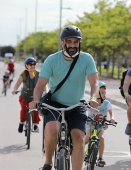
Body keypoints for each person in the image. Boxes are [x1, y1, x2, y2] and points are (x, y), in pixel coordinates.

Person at [29, 25, 99, 170]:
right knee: (52, 130)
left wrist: (93, 97)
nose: (73, 45)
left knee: (79, 138)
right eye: (69, 42)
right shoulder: (51, 60)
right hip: (54, 105)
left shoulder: (86, 59)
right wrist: (36, 100)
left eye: (76, 42)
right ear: (62, 43)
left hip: (76, 105)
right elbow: (40, 84)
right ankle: (48, 163)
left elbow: (95, 82)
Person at [84, 81, 115, 167]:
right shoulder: (90, 103)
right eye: (101, 92)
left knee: (101, 138)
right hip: (91, 123)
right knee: (87, 137)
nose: (104, 94)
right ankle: (81, 152)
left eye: (105, 92)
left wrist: (112, 118)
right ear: (96, 93)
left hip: (101, 124)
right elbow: (83, 110)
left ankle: (100, 157)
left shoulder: (106, 103)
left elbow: (111, 112)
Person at [12, 57, 41, 133]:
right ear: (26, 66)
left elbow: (44, 84)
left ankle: (35, 124)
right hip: (25, 96)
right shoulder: (24, 74)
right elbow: (17, 83)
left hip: (35, 96)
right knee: (24, 110)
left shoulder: (39, 74)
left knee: (35, 110)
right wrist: (14, 90)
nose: (32, 66)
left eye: (34, 64)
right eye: (30, 64)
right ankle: (21, 123)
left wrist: (46, 90)